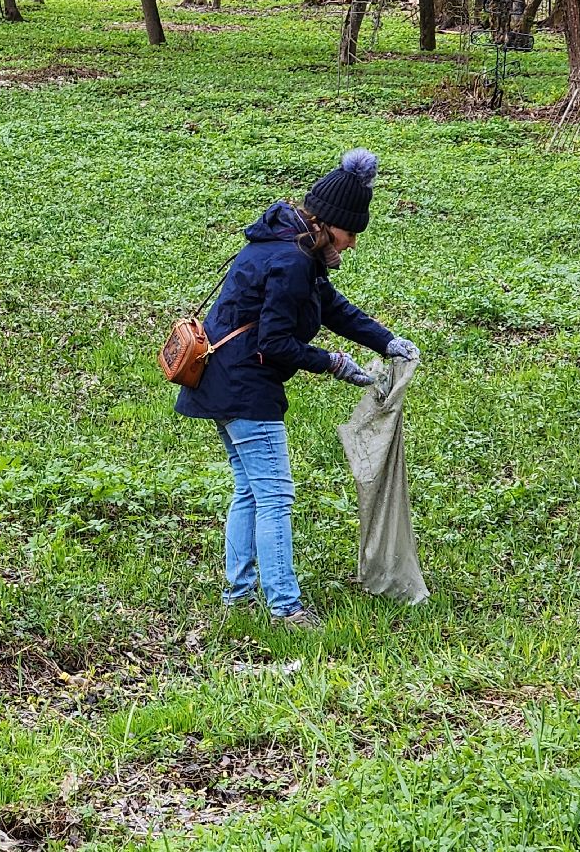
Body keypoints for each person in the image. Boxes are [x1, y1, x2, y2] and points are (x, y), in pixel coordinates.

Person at [175, 149, 418, 627]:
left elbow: (334, 309)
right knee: (275, 495)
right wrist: (334, 362)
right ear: (331, 223)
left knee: (249, 491)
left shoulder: (290, 247)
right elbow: (276, 342)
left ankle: (237, 596)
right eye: (351, 234)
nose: (351, 245)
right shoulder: (291, 262)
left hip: (222, 380)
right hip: (246, 387)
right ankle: (285, 608)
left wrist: (388, 341)